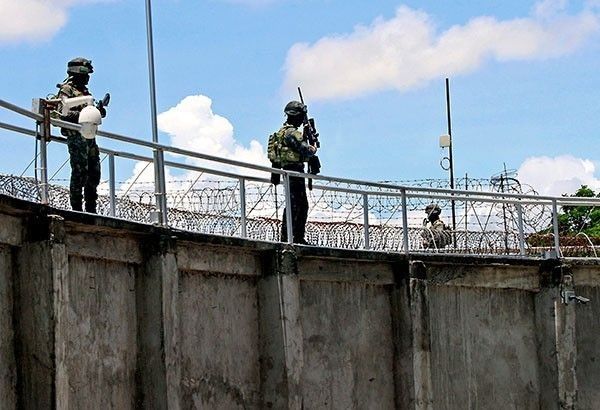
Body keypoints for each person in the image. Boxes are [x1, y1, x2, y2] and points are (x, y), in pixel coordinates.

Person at [55, 58, 106, 213]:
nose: (88, 78)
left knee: (94, 172)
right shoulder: (67, 90)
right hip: (76, 136)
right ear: (76, 73)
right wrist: (85, 113)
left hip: (89, 136)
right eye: (85, 74)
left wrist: (98, 111)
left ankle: (91, 207)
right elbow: (62, 113)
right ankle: (77, 208)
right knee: (80, 172)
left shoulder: (85, 93)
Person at [269, 101, 318, 244]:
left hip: (289, 171)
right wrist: (313, 147)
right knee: (298, 205)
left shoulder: (283, 132)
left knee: (295, 204)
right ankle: (294, 237)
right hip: (294, 171)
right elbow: (305, 150)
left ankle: (292, 236)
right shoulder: (291, 133)